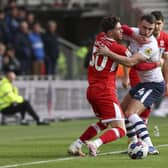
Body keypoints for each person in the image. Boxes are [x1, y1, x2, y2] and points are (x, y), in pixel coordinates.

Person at [97, 14, 164, 155]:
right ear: (139, 24)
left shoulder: (150, 45)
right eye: (144, 27)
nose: (146, 32)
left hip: (154, 84)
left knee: (130, 112)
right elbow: (124, 28)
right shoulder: (135, 33)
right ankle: (134, 142)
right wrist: (132, 33)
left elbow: (132, 63)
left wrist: (109, 53)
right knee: (122, 113)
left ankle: (149, 145)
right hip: (143, 83)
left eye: (150, 29)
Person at [68, 16, 130, 157]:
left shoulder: (100, 37)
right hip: (105, 91)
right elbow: (130, 60)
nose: (122, 31)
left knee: (103, 122)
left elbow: (125, 59)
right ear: (110, 32)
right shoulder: (116, 47)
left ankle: (76, 145)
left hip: (92, 90)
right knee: (121, 130)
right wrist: (126, 76)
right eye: (119, 29)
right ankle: (95, 144)